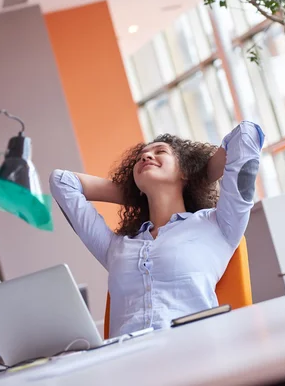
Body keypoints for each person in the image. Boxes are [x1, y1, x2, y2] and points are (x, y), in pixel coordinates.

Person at [49, 121, 264, 337]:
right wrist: (138, 193)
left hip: (194, 351)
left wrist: (197, 176)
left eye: (160, 152)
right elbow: (61, 181)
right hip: (127, 360)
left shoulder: (218, 224)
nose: (145, 157)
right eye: (141, 157)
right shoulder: (116, 246)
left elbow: (246, 135)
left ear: (184, 171)